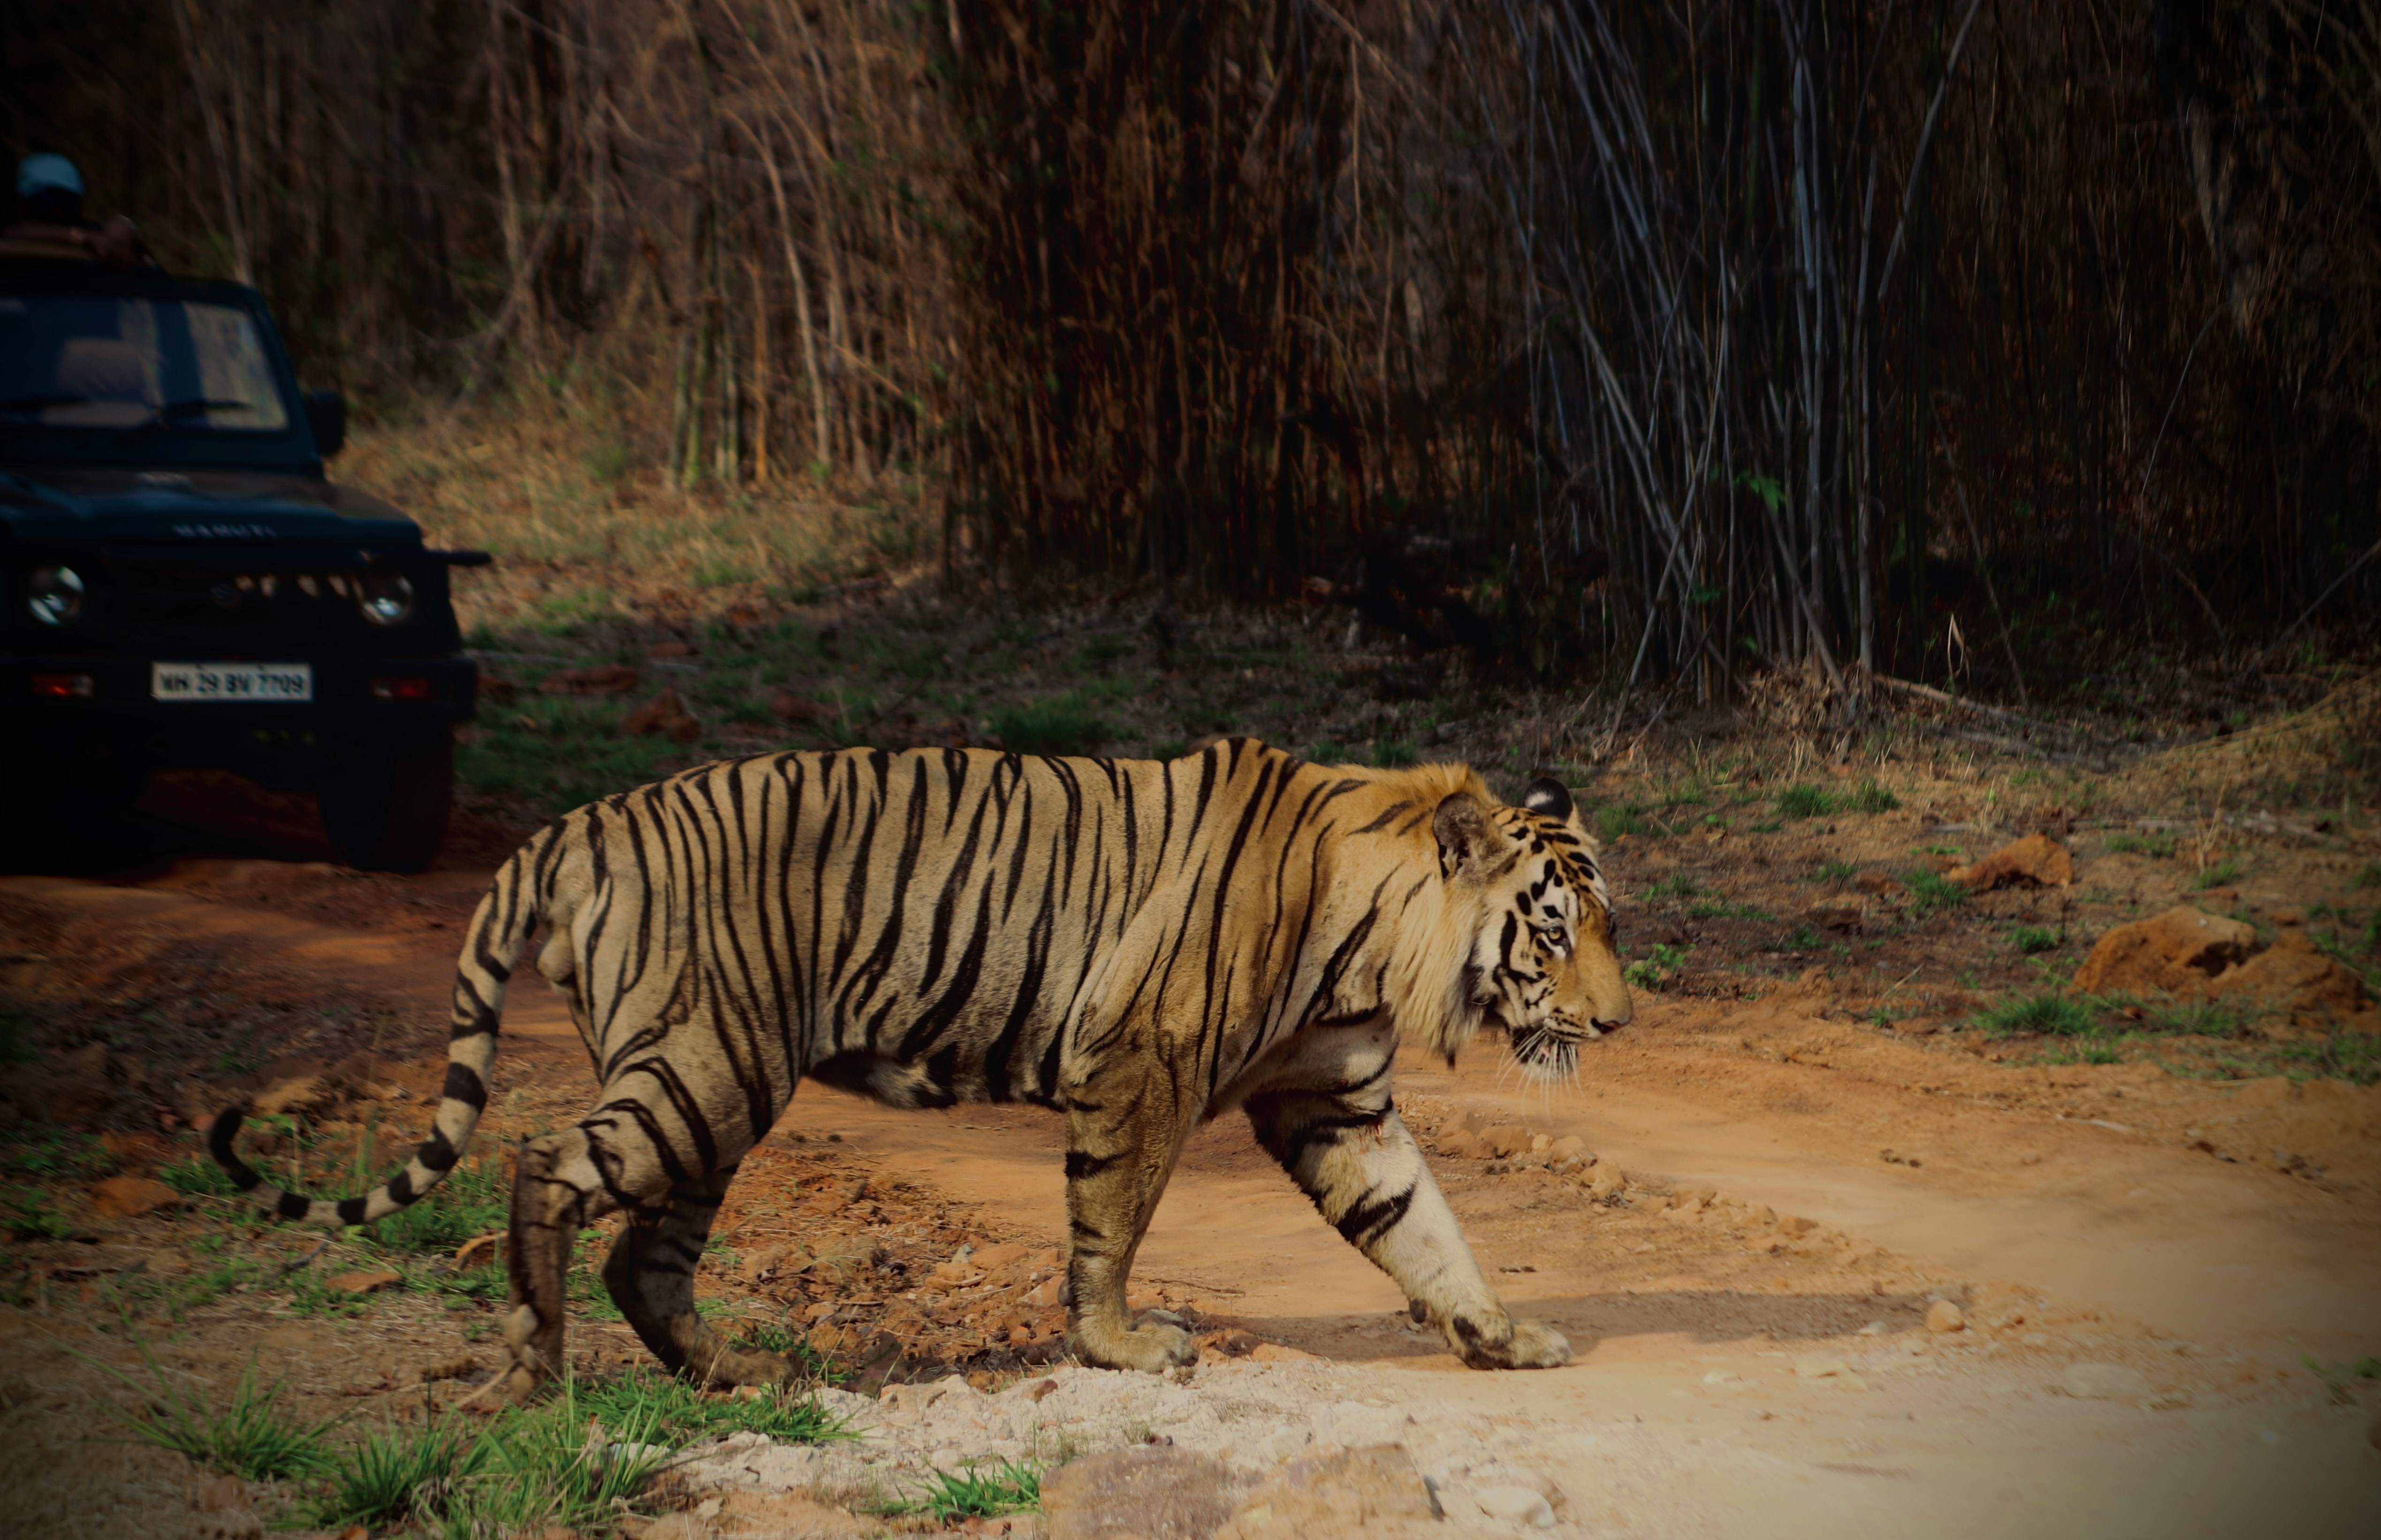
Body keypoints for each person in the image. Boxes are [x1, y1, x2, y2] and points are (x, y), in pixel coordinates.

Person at [2, 153, 143, 267]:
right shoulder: (11, 236)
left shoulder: (93, 235)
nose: (56, 210)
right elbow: (10, 230)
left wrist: (124, 226)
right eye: (44, 202)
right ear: (20, 202)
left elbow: (123, 230)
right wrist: (81, 236)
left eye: (66, 202)